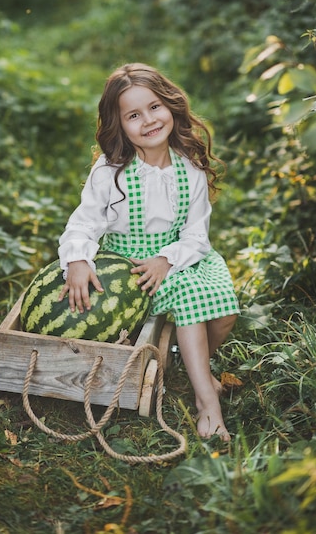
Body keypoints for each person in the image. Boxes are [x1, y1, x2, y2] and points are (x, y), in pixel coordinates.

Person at [58, 63, 240, 441]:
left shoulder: (189, 169)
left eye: (154, 107)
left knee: (224, 310)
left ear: (171, 106)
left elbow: (196, 235)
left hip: (180, 256)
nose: (149, 120)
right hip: (131, 266)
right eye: (134, 115)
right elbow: (84, 222)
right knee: (191, 299)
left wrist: (168, 258)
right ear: (119, 125)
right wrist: (78, 257)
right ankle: (207, 402)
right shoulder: (111, 173)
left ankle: (188, 364)